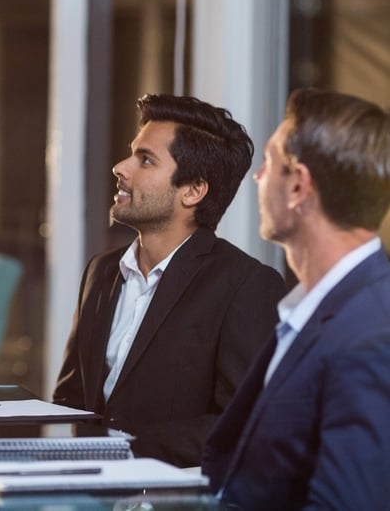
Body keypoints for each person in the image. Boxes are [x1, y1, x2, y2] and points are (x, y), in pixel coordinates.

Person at [53, 93, 287, 467]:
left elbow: (243, 425)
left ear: (193, 190)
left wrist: (124, 449)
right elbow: (69, 403)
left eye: (145, 160)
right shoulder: (100, 272)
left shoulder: (246, 285)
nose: (120, 167)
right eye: (132, 153)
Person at [203, 89, 390, 509]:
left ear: (299, 186)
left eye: (268, 162)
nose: (257, 176)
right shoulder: (321, 310)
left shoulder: (372, 335)